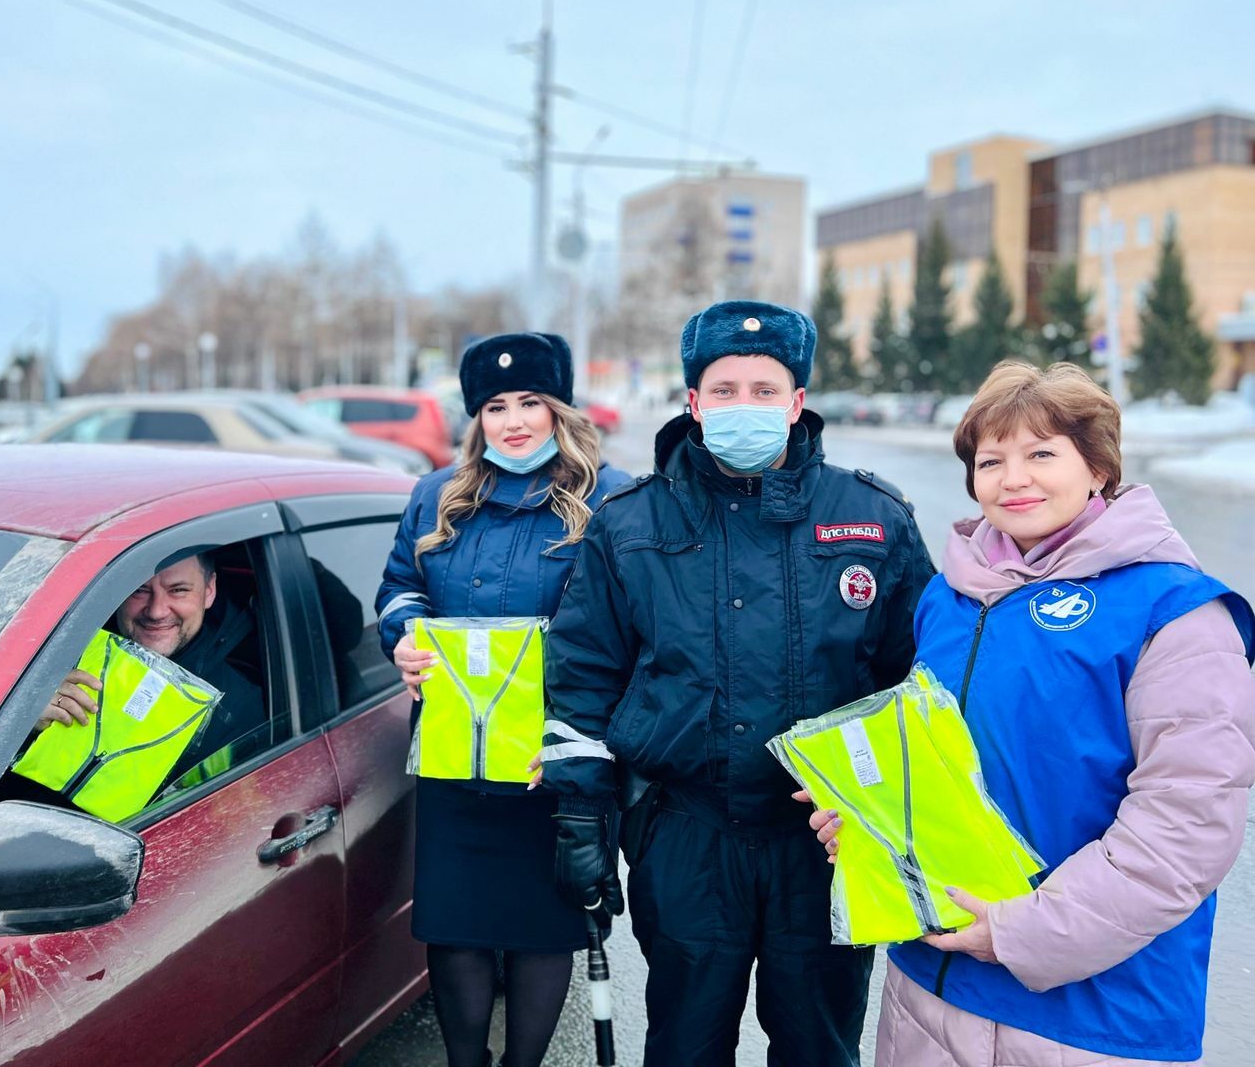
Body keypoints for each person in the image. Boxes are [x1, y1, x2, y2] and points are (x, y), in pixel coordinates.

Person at [805, 362, 1255, 1066]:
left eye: (1042, 453)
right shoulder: (948, 599)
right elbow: (932, 765)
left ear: (1098, 466)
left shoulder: (1176, 615)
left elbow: (1187, 824)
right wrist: (868, 820)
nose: (1014, 479)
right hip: (930, 989)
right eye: (991, 461)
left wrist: (1024, 933)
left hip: (1091, 1014)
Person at [542, 300, 936, 1066]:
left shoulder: (873, 517)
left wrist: (886, 810)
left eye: (764, 390)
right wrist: (582, 820)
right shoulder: (630, 524)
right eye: (724, 390)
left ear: (796, 403)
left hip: (826, 843)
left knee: (818, 1049)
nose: (743, 406)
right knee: (686, 1046)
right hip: (689, 835)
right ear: (693, 402)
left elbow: (915, 682)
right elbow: (583, 679)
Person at [376, 331, 630, 1067]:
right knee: (457, 923)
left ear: (560, 409)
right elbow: (400, 587)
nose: (514, 421)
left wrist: (584, 752)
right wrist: (404, 637)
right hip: (456, 748)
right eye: (495, 406)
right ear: (475, 418)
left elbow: (629, 628)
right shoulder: (435, 496)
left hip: (555, 756)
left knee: (541, 924)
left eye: (530, 403)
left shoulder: (609, 499)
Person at [7, 548, 266, 810]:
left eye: (178, 590)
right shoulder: (53, 653)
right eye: (139, 590)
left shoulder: (240, 708)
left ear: (209, 591)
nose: (156, 611)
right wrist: (23, 726)